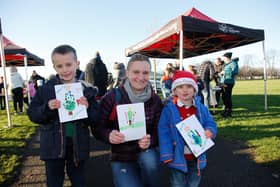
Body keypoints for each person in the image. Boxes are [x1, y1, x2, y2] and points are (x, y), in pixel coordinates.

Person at [27, 44, 99, 187]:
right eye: (60, 66)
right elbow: (33, 114)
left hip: (77, 145)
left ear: (77, 64)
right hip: (53, 147)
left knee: (79, 180)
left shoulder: (86, 90)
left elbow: (96, 118)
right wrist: (47, 107)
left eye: (68, 64)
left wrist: (88, 107)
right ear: (54, 67)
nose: (65, 70)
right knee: (54, 181)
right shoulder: (45, 90)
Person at [94, 54, 163, 187]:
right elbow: (98, 127)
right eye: (136, 72)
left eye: (145, 73)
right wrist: (109, 135)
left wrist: (151, 140)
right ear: (127, 72)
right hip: (122, 155)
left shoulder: (155, 100)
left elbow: (160, 130)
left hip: (146, 151)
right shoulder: (112, 97)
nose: (141, 77)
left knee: (151, 162)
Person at [158, 70, 217, 187]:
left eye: (189, 86)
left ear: (195, 89)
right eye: (180, 87)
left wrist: (210, 131)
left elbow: (210, 122)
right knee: (177, 183)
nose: (185, 90)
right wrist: (166, 154)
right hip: (177, 156)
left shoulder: (201, 108)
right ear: (174, 90)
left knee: (194, 182)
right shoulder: (169, 110)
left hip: (197, 156)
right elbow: (163, 131)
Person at [220, 52, 239, 117]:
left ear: (227, 57)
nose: (223, 59)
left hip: (229, 82)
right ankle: (225, 110)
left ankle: (229, 111)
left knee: (227, 97)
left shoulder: (233, 63)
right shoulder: (226, 64)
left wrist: (225, 72)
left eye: (224, 57)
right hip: (223, 82)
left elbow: (235, 72)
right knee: (224, 97)